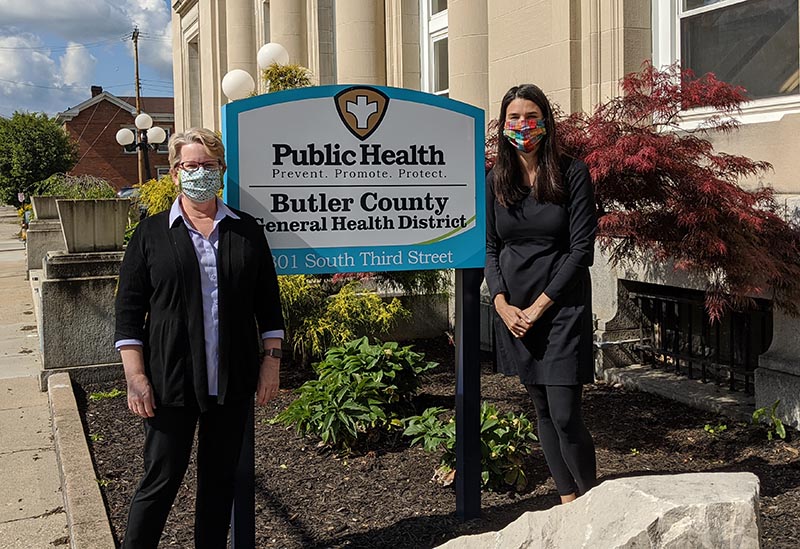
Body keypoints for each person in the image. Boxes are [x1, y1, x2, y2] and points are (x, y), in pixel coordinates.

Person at [114, 127, 285, 548]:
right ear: (174, 174)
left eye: (208, 166)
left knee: (219, 481)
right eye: (190, 166)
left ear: (222, 171)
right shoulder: (151, 233)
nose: (199, 173)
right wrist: (135, 376)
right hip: (169, 382)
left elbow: (268, 305)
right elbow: (129, 311)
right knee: (161, 478)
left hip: (232, 380)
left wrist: (272, 362)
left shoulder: (246, 231)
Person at [485, 84, 597, 504]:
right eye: (513, 117)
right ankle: (567, 501)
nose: (522, 125)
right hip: (515, 311)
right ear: (503, 125)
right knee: (542, 410)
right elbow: (491, 247)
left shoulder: (572, 173)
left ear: (546, 123)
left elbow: (580, 249)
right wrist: (501, 304)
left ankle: (591, 500)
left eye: (530, 116)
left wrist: (538, 306)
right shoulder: (495, 180)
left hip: (561, 305)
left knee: (566, 413)